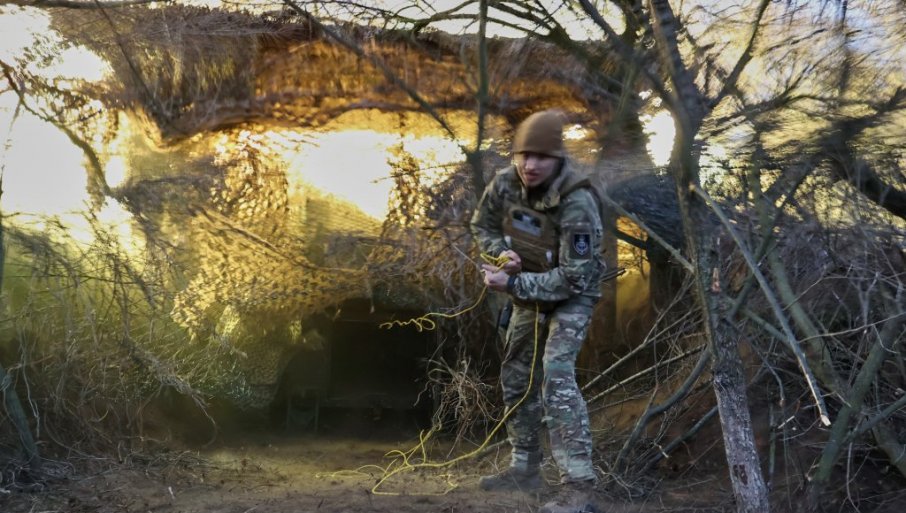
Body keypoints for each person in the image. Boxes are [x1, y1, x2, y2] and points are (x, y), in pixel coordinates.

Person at [470, 110, 604, 513]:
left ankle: (578, 487)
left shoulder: (577, 201)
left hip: (572, 297)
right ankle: (524, 467)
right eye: (523, 155)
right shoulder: (505, 183)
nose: (530, 165)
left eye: (541, 157)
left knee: (556, 376)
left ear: (557, 158)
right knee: (517, 374)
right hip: (528, 288)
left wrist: (512, 285)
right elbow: (482, 225)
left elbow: (574, 279)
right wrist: (501, 254)